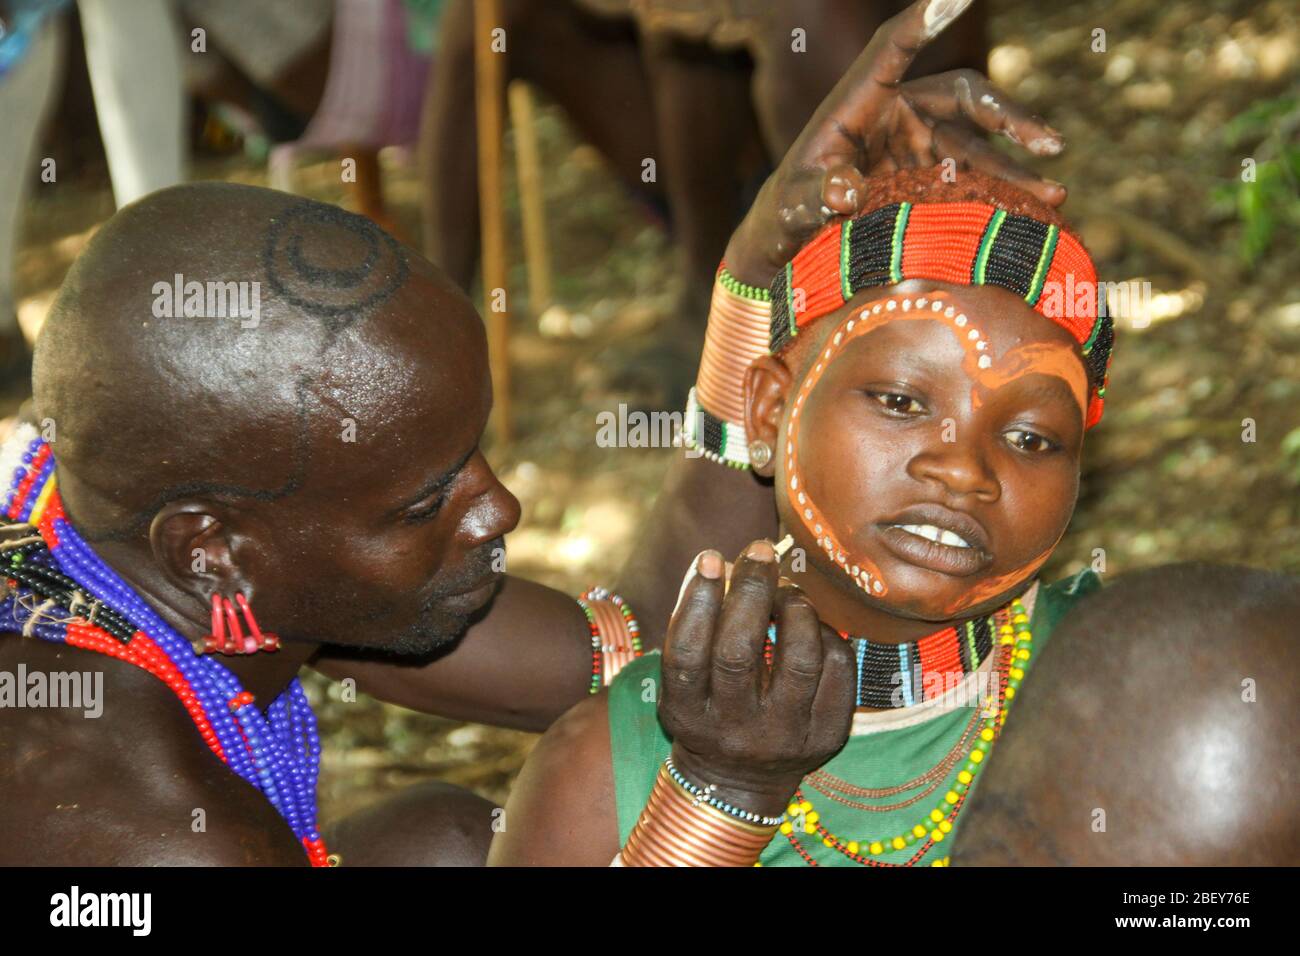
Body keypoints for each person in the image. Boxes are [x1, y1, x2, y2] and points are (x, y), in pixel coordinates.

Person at [0, 0, 1065, 865]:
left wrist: (755, 269)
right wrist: (723, 796)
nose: (499, 505)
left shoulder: (133, 539)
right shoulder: (125, 820)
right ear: (212, 547)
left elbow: (633, 643)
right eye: (423, 501)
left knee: (448, 841)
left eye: (470, 452)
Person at [489, 162, 1115, 865]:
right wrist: (714, 798)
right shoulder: (611, 764)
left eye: (1031, 439)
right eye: (901, 402)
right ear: (769, 411)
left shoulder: (1125, 688)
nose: (964, 470)